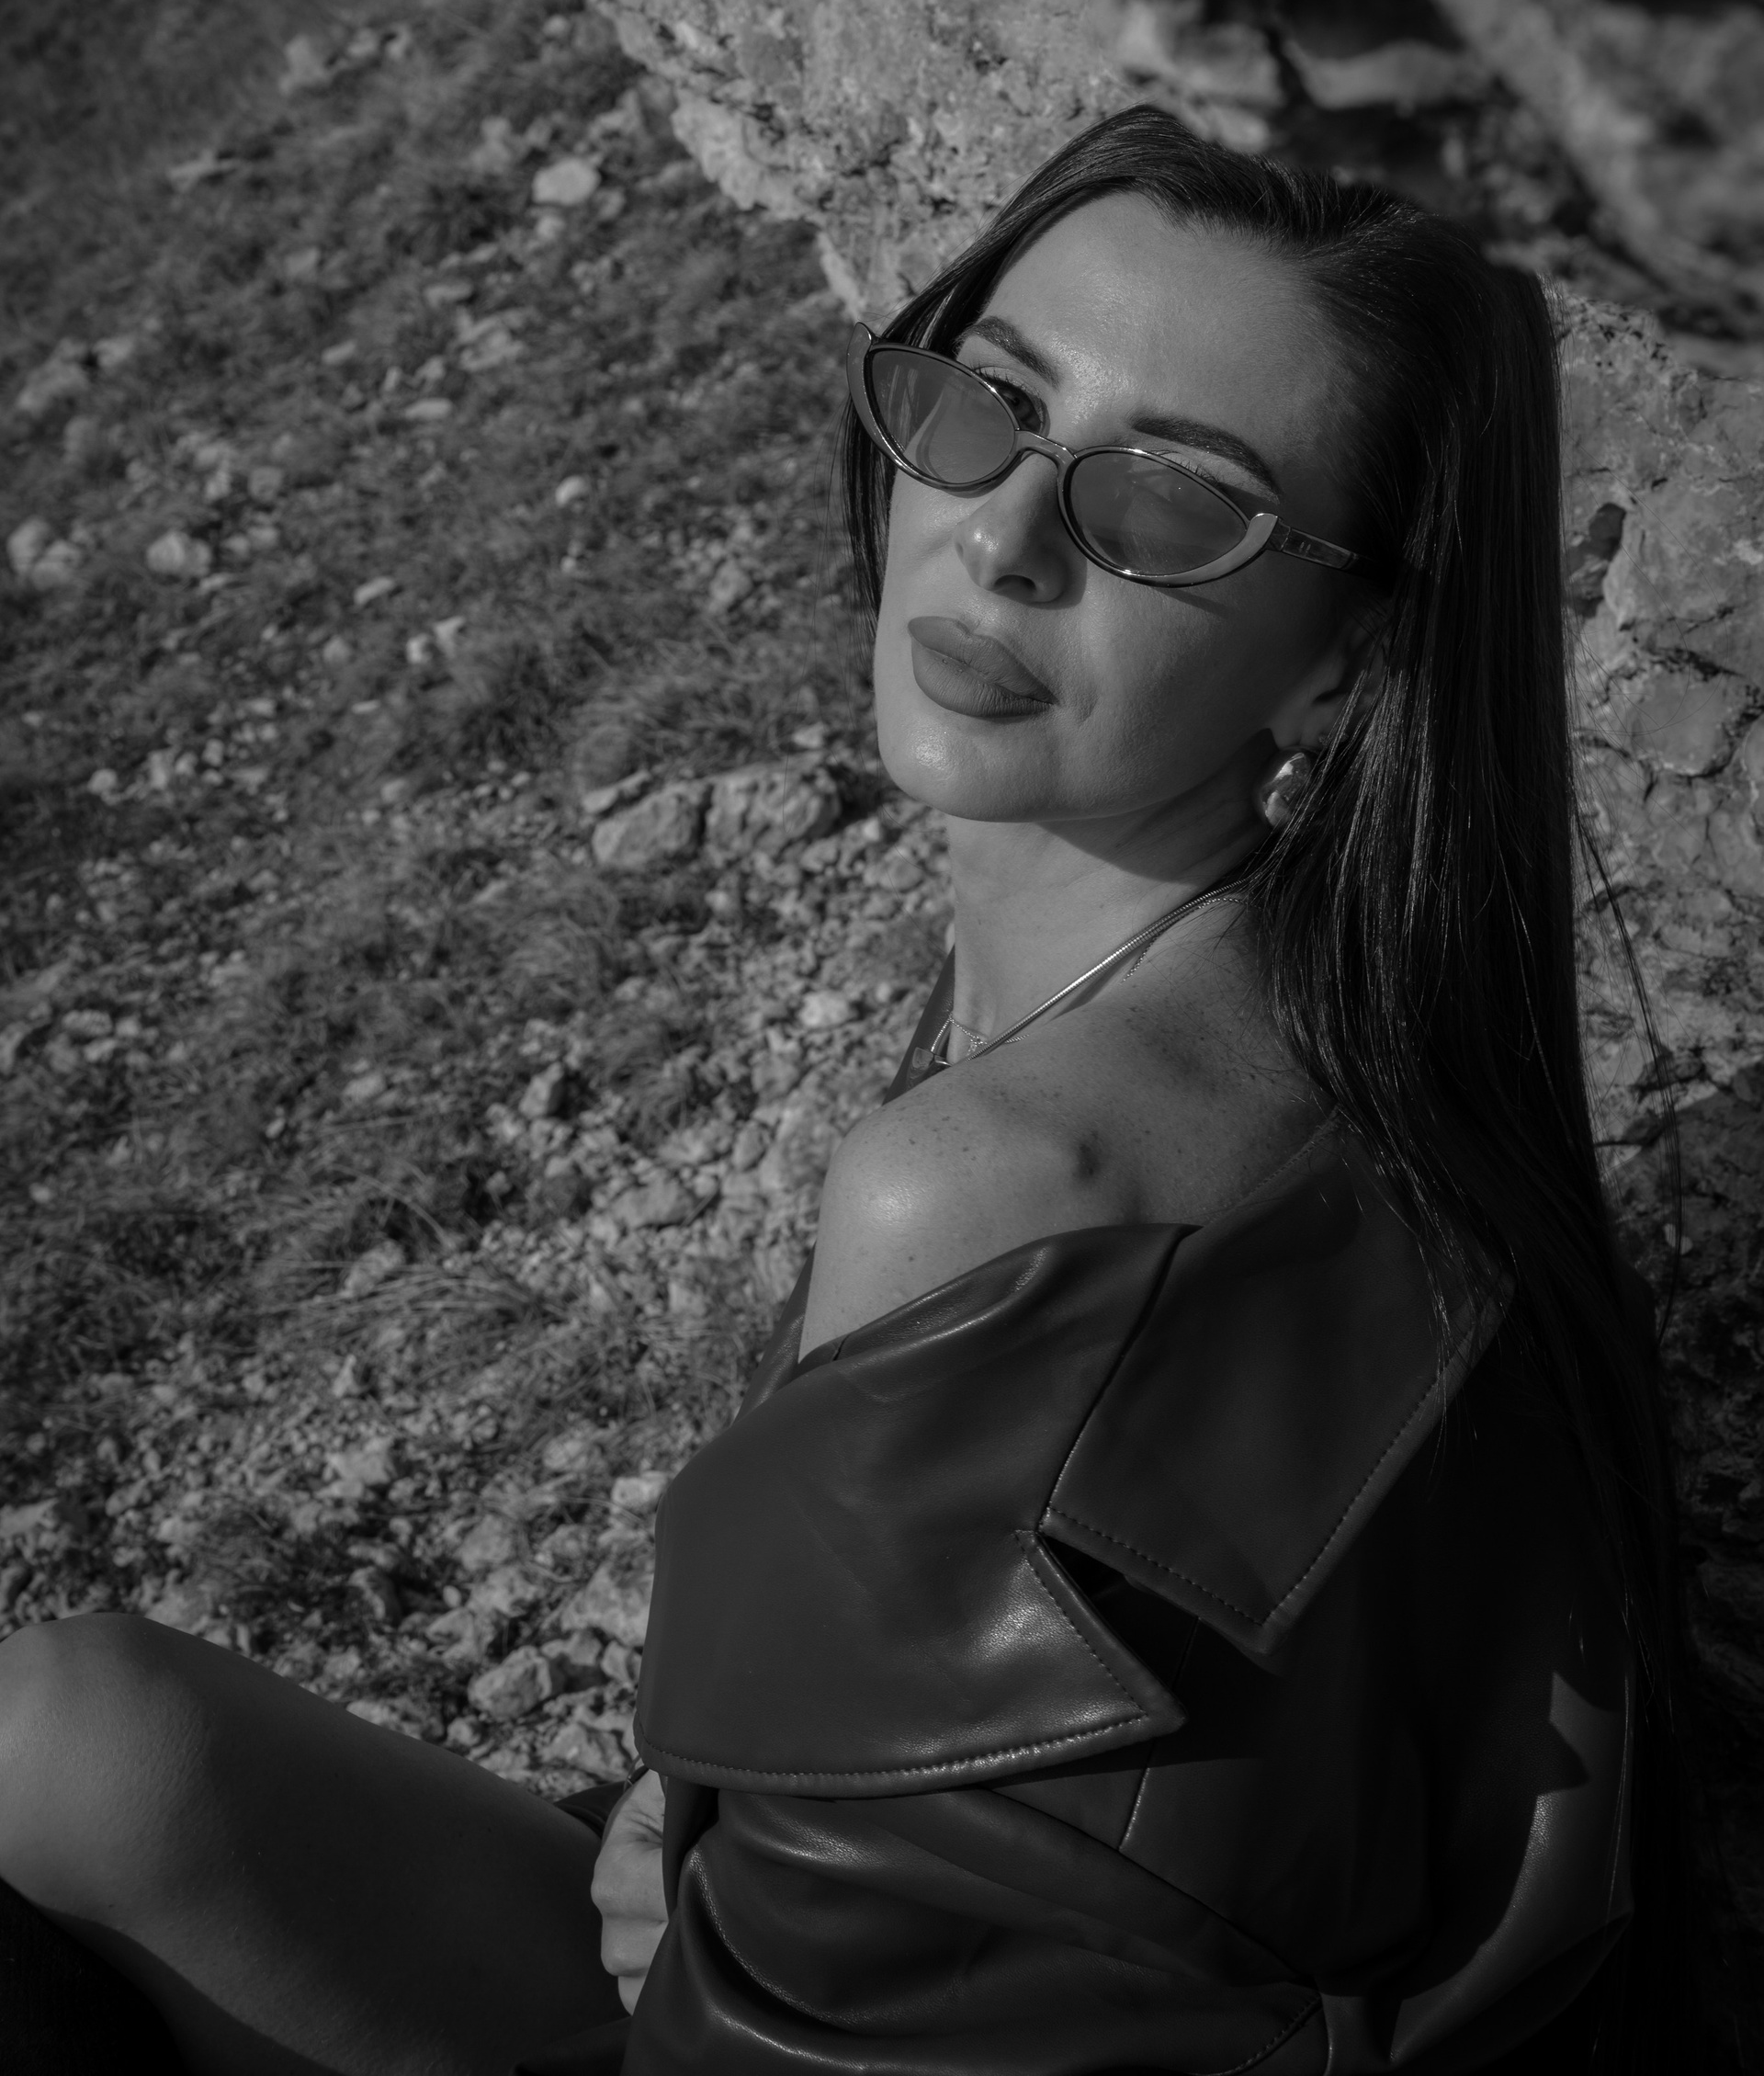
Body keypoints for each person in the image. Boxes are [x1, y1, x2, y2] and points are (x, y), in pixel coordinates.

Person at [0, 109, 1690, 2072]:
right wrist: (716, 1817)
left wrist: (716, 1908)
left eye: (1172, 507)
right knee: (74, 1732)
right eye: (988, 406)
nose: (1005, 537)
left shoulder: (990, 1179)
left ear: (1344, 661)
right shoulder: (1323, 1018)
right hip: (828, 1946)